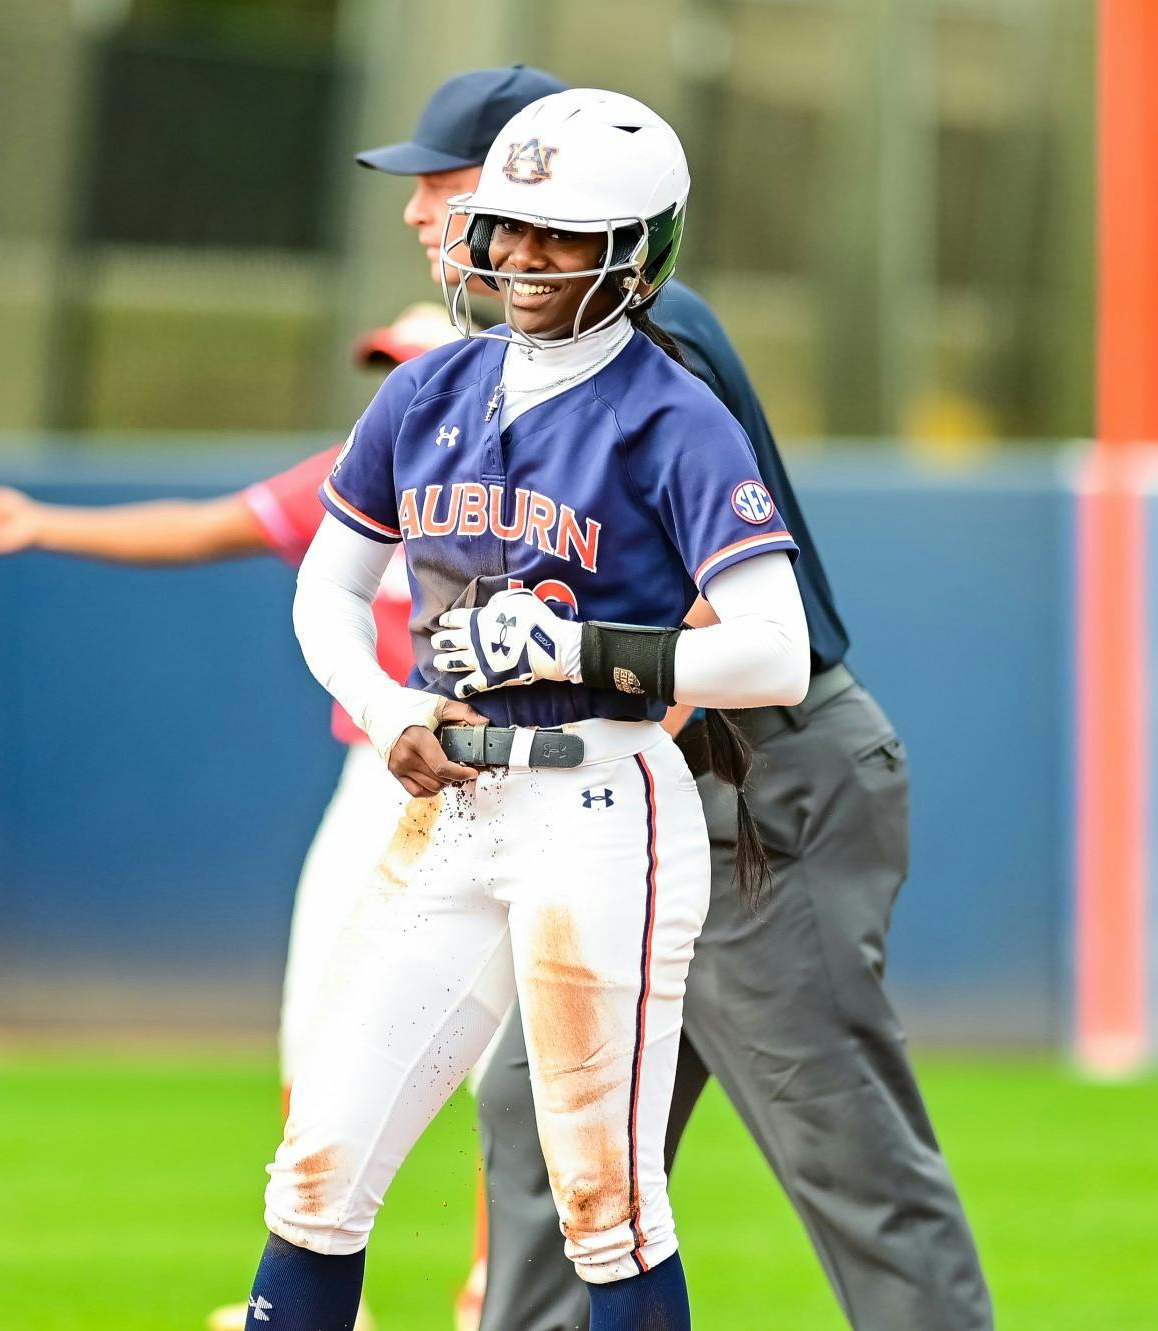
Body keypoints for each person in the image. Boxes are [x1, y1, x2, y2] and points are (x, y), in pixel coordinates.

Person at [356, 69, 994, 1330]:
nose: (424, 211)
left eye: (445, 182)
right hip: (638, 800)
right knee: (534, 1128)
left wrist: (576, 706)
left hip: (755, 794)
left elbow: (719, 615)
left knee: (840, 1148)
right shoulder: (509, 360)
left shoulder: (644, 334)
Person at [253, 88, 808, 1331]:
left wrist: (595, 646)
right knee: (318, 1165)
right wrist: (381, 698)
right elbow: (326, 587)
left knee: (604, 1199)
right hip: (453, 796)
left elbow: (773, 651)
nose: (520, 256)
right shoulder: (426, 388)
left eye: (562, 235)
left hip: (604, 798)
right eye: (508, 225)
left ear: (634, 249)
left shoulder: (674, 414)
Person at [0, 303, 463, 1331]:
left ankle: (499, 1291)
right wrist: (42, 522)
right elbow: (210, 523)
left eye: (415, 365)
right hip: (378, 775)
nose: (397, 384)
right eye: (388, 367)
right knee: (315, 1026)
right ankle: (319, 1303)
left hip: (502, 776)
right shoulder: (360, 470)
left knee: (510, 1065)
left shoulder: (546, 476)